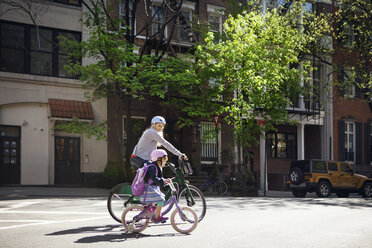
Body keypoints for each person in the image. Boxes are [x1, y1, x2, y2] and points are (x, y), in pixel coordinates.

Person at [140, 149, 172, 223]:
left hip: (153, 188)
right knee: (161, 199)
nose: (165, 161)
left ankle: (150, 210)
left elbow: (158, 179)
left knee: (161, 197)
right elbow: (154, 178)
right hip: (149, 188)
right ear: (158, 159)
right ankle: (157, 217)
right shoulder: (153, 167)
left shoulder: (156, 166)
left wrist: (165, 180)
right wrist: (163, 180)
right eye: (164, 159)